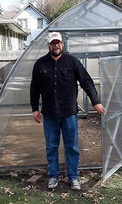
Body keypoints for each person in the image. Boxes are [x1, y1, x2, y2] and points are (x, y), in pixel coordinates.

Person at [30, 32, 104, 190]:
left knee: (71, 146)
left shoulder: (73, 62)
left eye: (58, 43)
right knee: (51, 147)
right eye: (53, 43)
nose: (56, 45)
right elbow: (34, 88)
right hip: (49, 114)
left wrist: (95, 101)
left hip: (69, 113)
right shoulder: (40, 64)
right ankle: (53, 176)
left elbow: (87, 82)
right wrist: (35, 109)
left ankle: (73, 176)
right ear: (48, 45)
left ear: (62, 44)